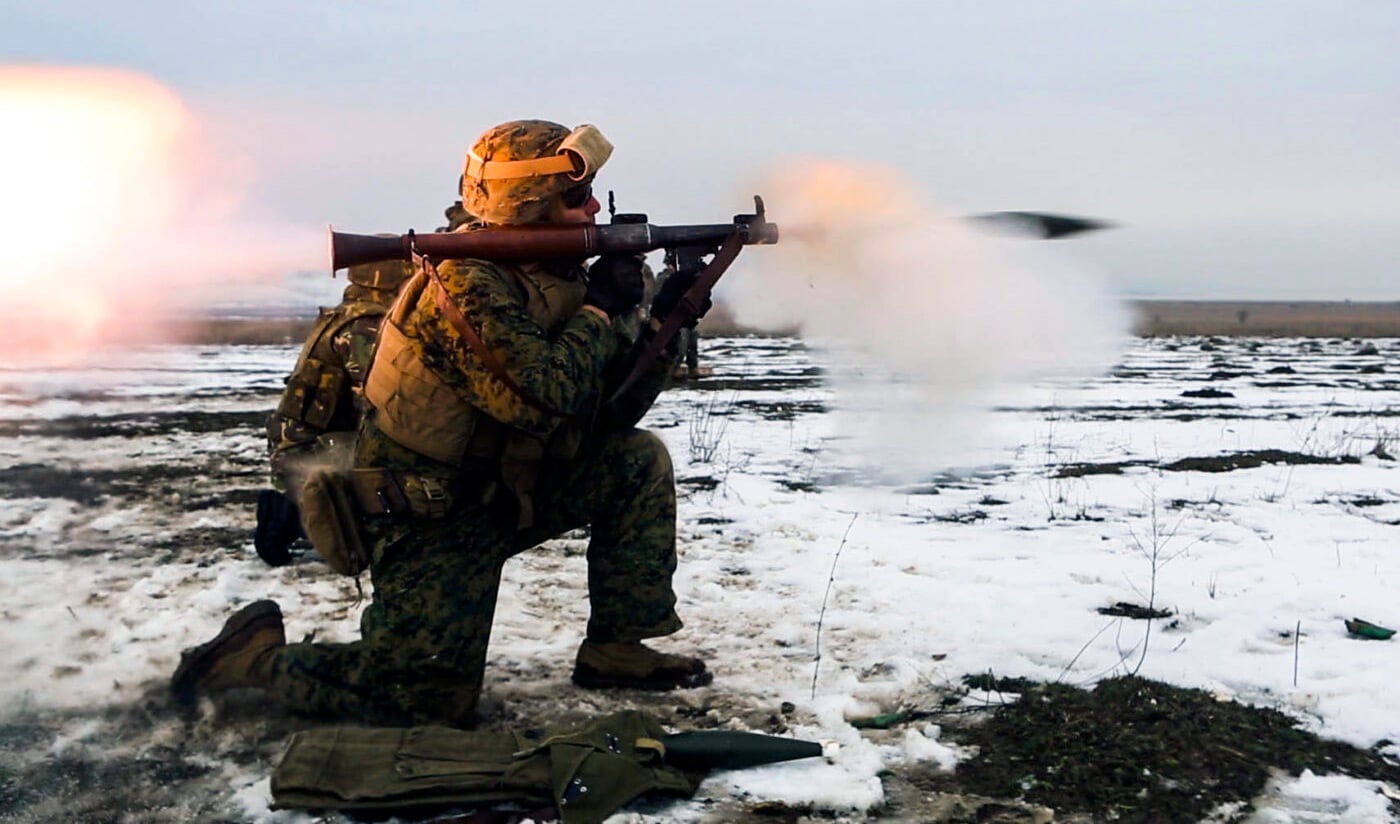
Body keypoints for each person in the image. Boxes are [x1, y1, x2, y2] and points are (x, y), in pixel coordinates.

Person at [174, 119, 712, 728]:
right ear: (529, 202)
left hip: (511, 491)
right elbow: (542, 400)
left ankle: (619, 646)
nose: (591, 205)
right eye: (573, 196)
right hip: (431, 515)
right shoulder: (463, 283)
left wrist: (664, 327)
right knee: (421, 702)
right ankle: (250, 660)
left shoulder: (562, 278)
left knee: (633, 461)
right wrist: (598, 311)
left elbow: (611, 413)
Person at [254, 258, 413, 566]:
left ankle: (281, 512)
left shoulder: (345, 315)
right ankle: (279, 523)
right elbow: (371, 400)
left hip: (299, 438)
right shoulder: (365, 325)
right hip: (311, 446)